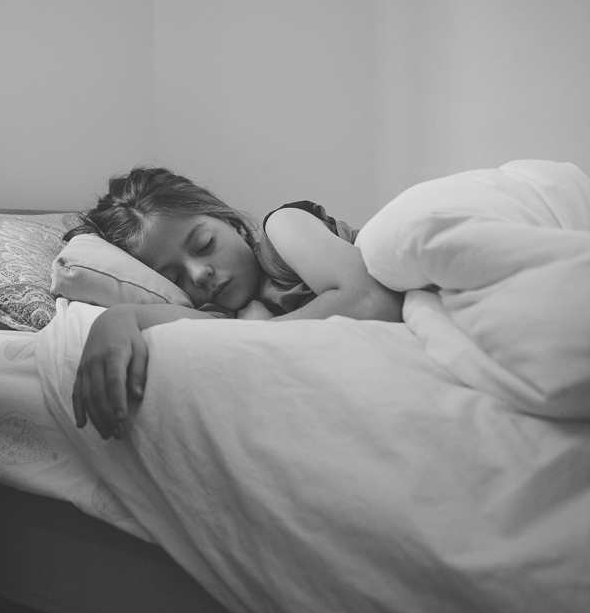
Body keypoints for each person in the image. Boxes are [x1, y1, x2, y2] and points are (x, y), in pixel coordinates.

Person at [65, 167, 403, 439]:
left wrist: (262, 330)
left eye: (204, 244)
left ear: (232, 223)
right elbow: (194, 324)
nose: (198, 274)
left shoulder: (282, 232)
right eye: (176, 279)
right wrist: (119, 319)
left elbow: (371, 301)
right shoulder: (227, 313)